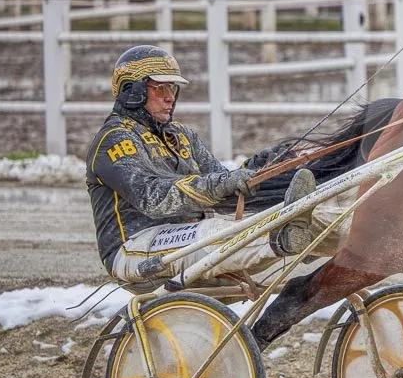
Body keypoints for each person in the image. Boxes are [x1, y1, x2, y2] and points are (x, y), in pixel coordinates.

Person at [86, 45, 324, 286]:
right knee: (216, 232)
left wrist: (261, 165)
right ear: (131, 91)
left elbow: (222, 181)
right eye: (160, 88)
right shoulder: (114, 139)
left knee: (229, 227)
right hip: (134, 248)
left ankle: (304, 233)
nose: (170, 96)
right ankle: (289, 237)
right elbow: (153, 198)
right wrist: (222, 183)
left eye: (172, 88)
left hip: (186, 239)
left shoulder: (182, 134)